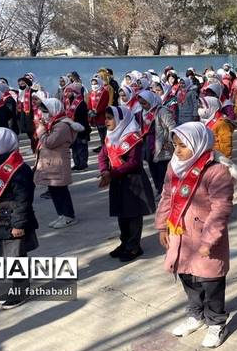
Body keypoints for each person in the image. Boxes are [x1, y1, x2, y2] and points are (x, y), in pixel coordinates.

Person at [156, 122, 237, 348]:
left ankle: (216, 322)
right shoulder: (175, 166)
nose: (177, 150)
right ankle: (196, 314)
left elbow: (221, 208)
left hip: (205, 237)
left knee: (211, 281)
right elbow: (167, 196)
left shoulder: (216, 170)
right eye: (175, 145)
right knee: (187, 276)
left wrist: (209, 240)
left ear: (199, 144)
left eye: (183, 146)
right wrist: (162, 226)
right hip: (180, 235)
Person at [0, 127, 38, 310]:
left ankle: (20, 292)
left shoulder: (18, 169)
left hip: (12, 222)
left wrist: (19, 224)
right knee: (9, 258)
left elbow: (23, 199)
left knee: (16, 258)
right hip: (0, 221)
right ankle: (17, 288)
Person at [98, 106, 156, 261]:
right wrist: (104, 171)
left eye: (110, 118)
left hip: (133, 180)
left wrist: (111, 173)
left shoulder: (133, 138)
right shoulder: (110, 136)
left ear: (121, 119)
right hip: (117, 179)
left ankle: (134, 247)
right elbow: (102, 155)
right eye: (106, 118)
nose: (106, 121)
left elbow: (133, 162)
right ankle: (125, 242)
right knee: (121, 213)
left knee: (133, 214)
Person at [34, 98, 84, 229]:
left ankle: (68, 216)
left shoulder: (62, 126)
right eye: (43, 111)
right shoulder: (54, 123)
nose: (44, 114)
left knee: (61, 190)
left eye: (46, 111)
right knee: (54, 190)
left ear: (53, 110)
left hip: (58, 162)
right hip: (51, 162)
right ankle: (61, 214)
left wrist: (41, 130)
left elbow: (49, 142)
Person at [136, 90, 177, 196]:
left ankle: (166, 192)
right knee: (153, 169)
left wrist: (169, 140)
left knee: (163, 171)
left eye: (145, 103)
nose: (143, 106)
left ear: (150, 100)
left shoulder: (161, 111)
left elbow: (172, 127)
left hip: (161, 145)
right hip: (148, 145)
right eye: (141, 104)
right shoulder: (142, 113)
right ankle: (159, 190)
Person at [64, 82, 90, 171]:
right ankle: (76, 163)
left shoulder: (81, 103)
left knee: (81, 146)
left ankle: (83, 164)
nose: (67, 94)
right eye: (66, 92)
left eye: (69, 91)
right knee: (74, 147)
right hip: (71, 129)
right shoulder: (67, 102)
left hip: (81, 128)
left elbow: (83, 117)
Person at [88, 76, 111, 153]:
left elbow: (104, 104)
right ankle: (104, 150)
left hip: (103, 117)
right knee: (101, 135)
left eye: (95, 83)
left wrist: (96, 111)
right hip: (96, 118)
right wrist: (90, 110)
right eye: (92, 84)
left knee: (106, 135)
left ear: (100, 83)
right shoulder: (91, 93)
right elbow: (89, 103)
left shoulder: (104, 92)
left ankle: (108, 150)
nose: (94, 85)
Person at [17, 77, 37, 152]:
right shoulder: (19, 93)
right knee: (26, 131)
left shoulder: (33, 92)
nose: (21, 85)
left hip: (31, 114)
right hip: (23, 114)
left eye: (23, 83)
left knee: (32, 131)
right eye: (19, 84)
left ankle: (34, 147)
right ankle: (32, 146)